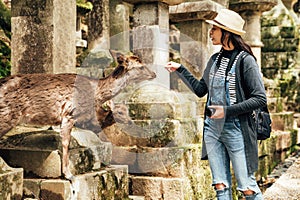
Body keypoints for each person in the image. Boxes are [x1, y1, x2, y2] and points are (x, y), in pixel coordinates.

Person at [165, 9, 266, 200]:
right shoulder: (214, 60)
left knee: (247, 188)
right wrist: (180, 69)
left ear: (226, 32)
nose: (211, 32)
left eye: (214, 28)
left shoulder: (246, 61)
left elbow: (260, 98)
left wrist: (226, 111)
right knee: (220, 186)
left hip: (237, 130)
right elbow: (200, 90)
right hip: (212, 130)